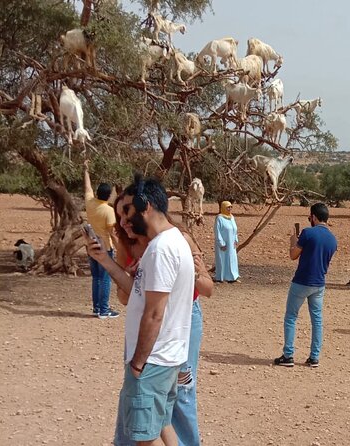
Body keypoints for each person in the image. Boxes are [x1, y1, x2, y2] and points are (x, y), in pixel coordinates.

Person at [86, 175, 195, 446]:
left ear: (144, 205)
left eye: (127, 211)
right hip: (166, 358)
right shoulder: (170, 241)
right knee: (162, 425)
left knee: (145, 438)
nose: (122, 221)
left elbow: (154, 313)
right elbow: (137, 292)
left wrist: (137, 363)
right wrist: (104, 260)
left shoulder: (161, 250)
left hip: (153, 361)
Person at [110, 193, 214, 446]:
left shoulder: (176, 241)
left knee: (182, 393)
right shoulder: (132, 244)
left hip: (180, 319)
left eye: (127, 212)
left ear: (145, 210)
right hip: (148, 324)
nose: (124, 221)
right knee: (145, 400)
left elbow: (207, 288)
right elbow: (126, 298)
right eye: (119, 215)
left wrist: (190, 273)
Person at [274, 203, 337, 368]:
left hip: (301, 281)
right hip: (319, 283)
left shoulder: (307, 233)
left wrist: (293, 242)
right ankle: (314, 357)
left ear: (314, 216)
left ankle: (288, 355)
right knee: (317, 319)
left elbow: (293, 255)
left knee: (291, 317)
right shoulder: (332, 239)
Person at [83, 160, 119, 318]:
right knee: (105, 279)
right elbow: (112, 232)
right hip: (105, 248)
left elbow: (87, 187)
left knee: (96, 277)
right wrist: (118, 247)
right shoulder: (108, 210)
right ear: (109, 195)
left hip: (91, 245)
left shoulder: (90, 203)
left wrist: (85, 170)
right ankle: (104, 310)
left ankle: (96, 308)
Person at [214, 201, 240, 283]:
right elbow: (217, 231)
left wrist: (236, 239)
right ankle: (221, 277)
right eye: (228, 207)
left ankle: (233, 276)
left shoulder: (232, 217)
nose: (230, 209)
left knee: (232, 259)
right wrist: (221, 243)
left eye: (231, 207)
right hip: (224, 244)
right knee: (223, 259)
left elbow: (234, 230)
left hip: (231, 244)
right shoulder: (219, 218)